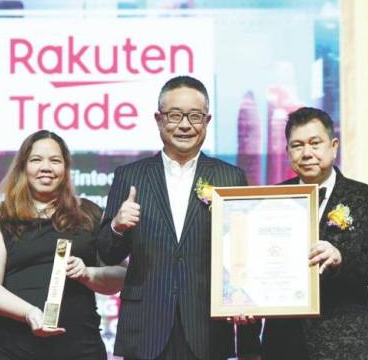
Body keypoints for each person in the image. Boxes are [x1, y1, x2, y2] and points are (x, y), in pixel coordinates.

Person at [97, 76, 261, 360]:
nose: (185, 125)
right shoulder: (130, 176)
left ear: (207, 121)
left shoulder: (230, 177)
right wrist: (117, 226)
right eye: (175, 115)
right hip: (145, 328)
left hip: (207, 329)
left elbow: (243, 254)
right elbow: (106, 253)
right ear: (159, 119)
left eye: (194, 116)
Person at [0, 130, 126, 360]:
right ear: (23, 167)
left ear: (65, 169)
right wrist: (29, 313)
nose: (46, 167)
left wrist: (87, 273)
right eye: (36, 160)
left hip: (81, 349)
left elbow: (120, 276)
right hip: (13, 350)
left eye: (55, 160)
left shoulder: (89, 214)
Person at [261, 107, 368, 359]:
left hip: (345, 344)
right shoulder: (270, 199)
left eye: (315, 143)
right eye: (297, 145)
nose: (307, 153)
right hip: (284, 343)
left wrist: (342, 259)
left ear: (333, 146)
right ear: (287, 151)